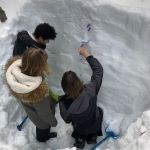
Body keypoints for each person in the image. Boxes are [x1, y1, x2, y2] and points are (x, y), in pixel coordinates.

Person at [5, 47, 57, 142]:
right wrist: (53, 122)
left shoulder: (14, 75)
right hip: (42, 121)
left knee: (40, 127)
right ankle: (42, 139)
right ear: (39, 67)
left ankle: (41, 136)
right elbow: (45, 114)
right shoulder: (39, 95)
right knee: (43, 130)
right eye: (44, 63)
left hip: (31, 111)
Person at [59, 47, 103, 149]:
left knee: (78, 127)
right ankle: (92, 136)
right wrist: (87, 54)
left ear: (64, 88)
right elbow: (98, 70)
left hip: (81, 128)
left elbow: (67, 120)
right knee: (99, 111)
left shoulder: (64, 104)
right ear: (78, 81)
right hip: (94, 122)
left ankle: (80, 139)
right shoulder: (91, 89)